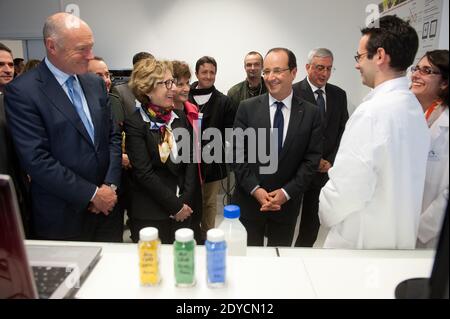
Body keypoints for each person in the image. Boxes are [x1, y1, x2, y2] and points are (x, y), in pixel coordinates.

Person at [4, 13, 122, 242]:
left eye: (91, 47)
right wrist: (92, 194)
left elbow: (113, 137)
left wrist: (110, 186)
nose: (90, 56)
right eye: (81, 49)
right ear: (52, 46)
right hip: (63, 216)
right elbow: (37, 159)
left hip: (108, 209)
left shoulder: (94, 83)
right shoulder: (24, 92)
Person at [318, 15, 430, 249]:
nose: (357, 64)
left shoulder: (372, 112)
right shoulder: (412, 108)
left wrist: (324, 209)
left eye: (359, 56)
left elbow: (347, 189)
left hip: (361, 243)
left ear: (379, 56)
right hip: (397, 238)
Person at [232, 47, 322, 246]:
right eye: (267, 71)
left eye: (278, 71)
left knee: (279, 263)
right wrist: (255, 189)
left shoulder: (311, 113)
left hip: (286, 207)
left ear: (293, 72)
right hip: (249, 203)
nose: (271, 77)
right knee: (249, 262)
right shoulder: (247, 108)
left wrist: (286, 193)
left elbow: (311, 161)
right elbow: (237, 155)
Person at [124, 59, 197, 244]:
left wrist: (185, 201)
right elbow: (144, 173)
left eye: (172, 81)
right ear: (147, 89)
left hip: (184, 209)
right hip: (151, 212)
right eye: (166, 83)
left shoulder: (179, 118)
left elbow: (190, 161)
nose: (173, 88)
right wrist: (175, 205)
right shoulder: (135, 122)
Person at [292, 48, 349, 247]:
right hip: (296, 170)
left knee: (311, 225)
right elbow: (287, 136)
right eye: (319, 68)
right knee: (287, 222)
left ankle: (302, 257)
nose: (324, 73)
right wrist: (313, 161)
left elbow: (343, 131)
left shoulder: (339, 95)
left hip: (324, 172)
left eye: (329, 68)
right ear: (307, 67)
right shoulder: (292, 92)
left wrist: (330, 161)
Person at [188, 56, 235, 237]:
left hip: (213, 162)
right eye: (204, 72)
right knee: (190, 199)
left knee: (209, 202)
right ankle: (190, 233)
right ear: (196, 73)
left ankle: (208, 234)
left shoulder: (224, 102)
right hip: (188, 160)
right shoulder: (185, 97)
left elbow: (229, 133)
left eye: (212, 72)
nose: (208, 76)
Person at [410, 50, 449, 248]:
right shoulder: (420, 114)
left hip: (430, 234)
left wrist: (420, 228)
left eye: (426, 70)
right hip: (408, 222)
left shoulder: (445, 124)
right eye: (417, 68)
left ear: (444, 82)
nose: (416, 74)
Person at [0, 43, 31, 237]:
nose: (7, 69)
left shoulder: (14, 100)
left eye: (11, 65)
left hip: (19, 190)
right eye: (1, 64)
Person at [172, 60, 203, 242]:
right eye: (180, 84)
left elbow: (195, 151)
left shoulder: (192, 110)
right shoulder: (161, 116)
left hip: (194, 181)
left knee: (194, 228)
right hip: (175, 187)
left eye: (187, 83)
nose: (186, 88)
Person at [112, 51, 154, 121]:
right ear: (136, 69)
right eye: (146, 67)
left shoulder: (157, 89)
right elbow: (118, 121)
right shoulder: (120, 91)